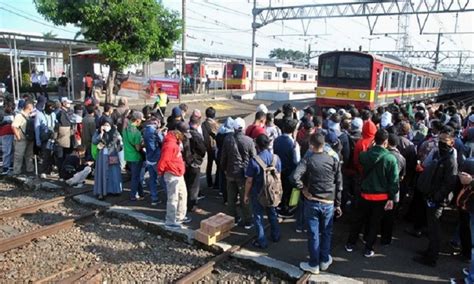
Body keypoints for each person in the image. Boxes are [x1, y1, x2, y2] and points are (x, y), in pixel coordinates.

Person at [292, 132, 342, 274]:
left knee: (313, 234)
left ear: (311, 145)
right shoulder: (333, 159)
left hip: (312, 201)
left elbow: (295, 177)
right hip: (329, 202)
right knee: (327, 232)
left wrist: (304, 190)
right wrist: (338, 203)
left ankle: (313, 263)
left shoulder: (308, 159)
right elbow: (339, 183)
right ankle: (324, 260)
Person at [346, 129, 399, 257]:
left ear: (375, 140)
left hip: (365, 194)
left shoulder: (365, 155)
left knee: (358, 220)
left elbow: (360, 159)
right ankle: (368, 247)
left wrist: (371, 146)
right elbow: (394, 181)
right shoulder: (391, 159)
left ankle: (350, 243)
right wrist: (391, 198)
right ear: (386, 142)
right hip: (381, 197)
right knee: (374, 223)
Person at [413, 129, 458, 267]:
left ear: (451, 144)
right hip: (431, 195)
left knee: (435, 230)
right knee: (431, 228)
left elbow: (449, 184)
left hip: (437, 200)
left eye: (444, 143)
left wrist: (436, 197)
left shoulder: (450, 161)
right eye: (440, 142)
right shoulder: (441, 156)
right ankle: (429, 252)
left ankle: (432, 258)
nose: (441, 145)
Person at [244, 134, 282, 249]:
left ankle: (262, 241)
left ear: (257, 145)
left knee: (258, 216)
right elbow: (279, 176)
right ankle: (276, 235)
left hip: (258, 192)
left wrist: (246, 195)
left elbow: (249, 181)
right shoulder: (276, 158)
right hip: (272, 191)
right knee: (272, 213)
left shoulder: (254, 161)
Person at [221, 117, 256, 229]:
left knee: (231, 199)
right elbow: (254, 158)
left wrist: (224, 169)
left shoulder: (227, 139)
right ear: (243, 128)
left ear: (234, 128)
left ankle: (233, 219)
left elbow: (223, 157)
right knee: (245, 198)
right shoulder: (249, 141)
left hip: (230, 173)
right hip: (243, 174)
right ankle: (248, 221)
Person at [158, 129, 189, 229]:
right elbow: (163, 160)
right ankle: (170, 220)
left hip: (177, 173)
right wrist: (160, 172)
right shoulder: (170, 145)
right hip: (172, 173)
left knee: (182, 194)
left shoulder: (173, 143)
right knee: (173, 198)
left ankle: (180, 216)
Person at [381, 134, 406, 246]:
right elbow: (402, 176)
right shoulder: (402, 158)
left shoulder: (384, 155)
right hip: (394, 191)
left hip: (381, 189)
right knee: (390, 216)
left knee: (378, 213)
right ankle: (386, 239)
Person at [273, 118, 300, 217]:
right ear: (293, 130)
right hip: (290, 171)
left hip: (278, 169)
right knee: (289, 191)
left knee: (280, 188)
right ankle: (287, 209)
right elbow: (296, 160)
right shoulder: (294, 144)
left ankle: (279, 205)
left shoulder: (276, 140)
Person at [92, 118, 123, 200]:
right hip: (102, 155)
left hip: (112, 154)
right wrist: (101, 134)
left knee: (114, 173)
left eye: (108, 125)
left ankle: (114, 190)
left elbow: (120, 144)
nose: (106, 126)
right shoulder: (98, 132)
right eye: (104, 125)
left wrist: (119, 142)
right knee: (102, 173)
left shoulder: (115, 131)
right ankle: (101, 192)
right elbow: (94, 141)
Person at [123, 111, 145, 201]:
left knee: (136, 175)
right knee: (135, 177)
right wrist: (143, 144)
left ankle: (141, 193)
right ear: (137, 120)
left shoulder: (125, 129)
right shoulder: (137, 133)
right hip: (136, 157)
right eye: (141, 120)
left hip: (128, 156)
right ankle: (133, 195)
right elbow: (137, 148)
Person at [144, 117, 165, 205]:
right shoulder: (154, 132)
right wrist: (161, 133)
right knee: (163, 179)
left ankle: (154, 198)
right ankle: (170, 197)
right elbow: (163, 141)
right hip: (156, 158)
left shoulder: (145, 130)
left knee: (152, 180)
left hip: (149, 158)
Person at [11, 100, 35, 175]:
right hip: (21, 139)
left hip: (29, 139)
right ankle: (16, 171)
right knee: (19, 155)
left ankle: (30, 169)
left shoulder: (30, 116)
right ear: (29, 107)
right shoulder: (19, 116)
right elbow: (14, 126)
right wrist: (18, 136)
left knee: (29, 155)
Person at [35, 101, 56, 178]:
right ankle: (43, 171)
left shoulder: (53, 114)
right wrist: (38, 140)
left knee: (51, 155)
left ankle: (49, 170)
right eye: (50, 108)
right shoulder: (39, 115)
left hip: (52, 137)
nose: (52, 109)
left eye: (53, 108)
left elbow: (54, 124)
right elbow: (37, 128)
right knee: (45, 155)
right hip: (44, 138)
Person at [201, 107, 219, 189]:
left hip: (207, 146)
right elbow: (216, 134)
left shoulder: (203, 124)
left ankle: (209, 182)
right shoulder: (213, 124)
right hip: (214, 146)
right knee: (219, 165)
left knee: (209, 164)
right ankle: (217, 183)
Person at [0, 105, 14, 174]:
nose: (10, 108)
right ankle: (5, 167)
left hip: (12, 133)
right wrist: (4, 123)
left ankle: (11, 165)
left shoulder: (13, 113)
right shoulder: (1, 113)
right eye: (9, 106)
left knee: (11, 150)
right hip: (4, 133)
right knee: (6, 151)